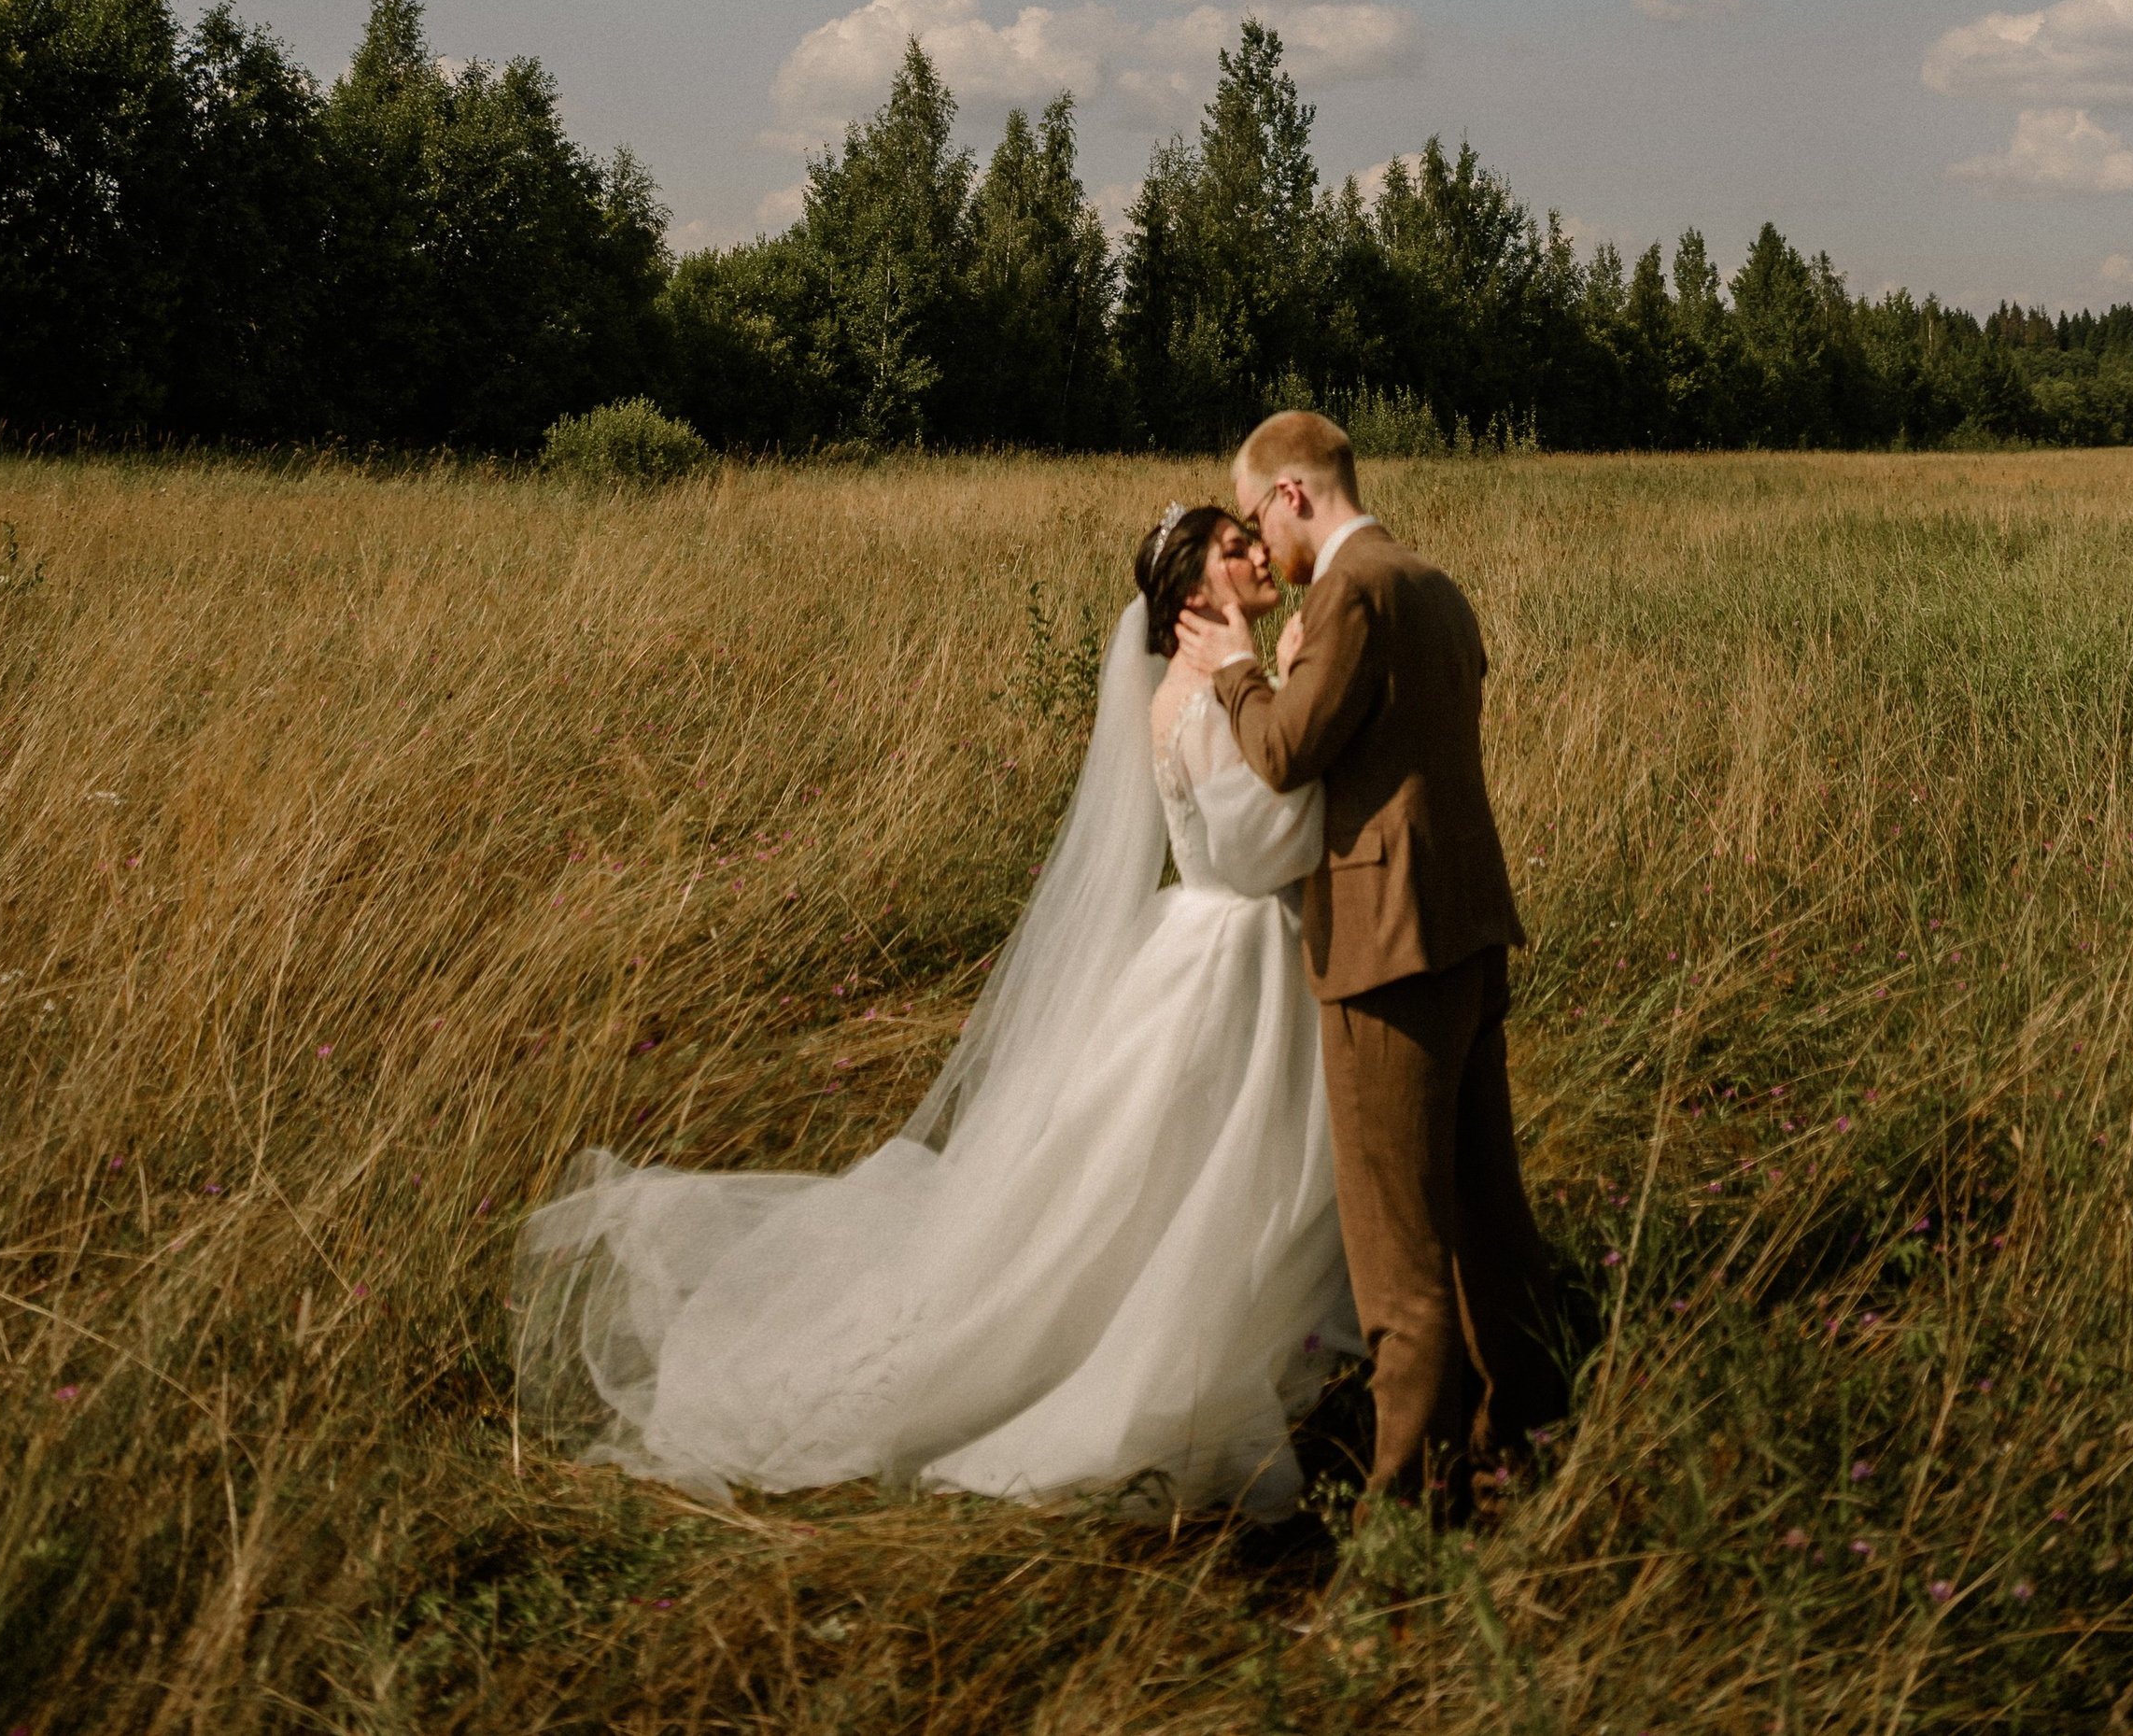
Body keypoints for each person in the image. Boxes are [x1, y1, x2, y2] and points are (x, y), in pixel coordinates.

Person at [511, 504, 1358, 1517]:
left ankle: (1256, 1342)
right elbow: (1264, 851)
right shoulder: (1197, 695)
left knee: (1202, 1173)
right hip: (1228, 957)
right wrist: (1295, 703)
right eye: (1233, 550)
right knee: (1185, 1178)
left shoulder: (1213, 686)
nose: (1258, 556)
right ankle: (1147, 1366)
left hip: (1230, 951)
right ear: (1192, 597)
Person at [1174, 407, 1555, 1512]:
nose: (1261, 546)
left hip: (1388, 949)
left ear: (1292, 493)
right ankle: (1524, 1433)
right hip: (1471, 929)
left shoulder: (1350, 590)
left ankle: (1405, 1504)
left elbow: (1289, 754)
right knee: (1492, 1213)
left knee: (1398, 1252)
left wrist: (1242, 670)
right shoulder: (1434, 582)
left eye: (1255, 515)